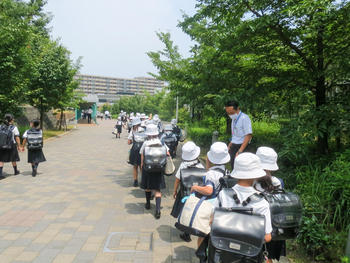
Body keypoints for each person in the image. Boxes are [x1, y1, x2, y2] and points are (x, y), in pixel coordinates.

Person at [215, 153, 272, 256]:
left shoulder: (223, 194)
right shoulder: (262, 203)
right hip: (249, 254)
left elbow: (212, 221)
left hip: (224, 251)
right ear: (256, 175)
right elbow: (267, 237)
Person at [191, 142, 230, 249]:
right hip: (222, 207)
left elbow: (209, 190)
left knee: (203, 233)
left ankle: (201, 255)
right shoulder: (227, 172)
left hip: (210, 207)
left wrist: (195, 188)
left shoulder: (211, 174)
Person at [255, 147, 285, 262]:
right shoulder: (278, 182)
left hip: (256, 224)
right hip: (273, 225)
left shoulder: (252, 180)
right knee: (268, 255)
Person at [172, 141, 204, 242]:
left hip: (184, 193)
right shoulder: (201, 166)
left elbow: (177, 179)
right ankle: (189, 231)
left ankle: (186, 232)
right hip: (197, 193)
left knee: (184, 210)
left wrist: (175, 191)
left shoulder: (183, 165)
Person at [140, 124, 169, 219]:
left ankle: (148, 204)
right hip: (159, 168)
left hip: (147, 168)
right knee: (157, 190)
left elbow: (142, 156)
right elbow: (167, 153)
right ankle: (157, 210)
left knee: (147, 187)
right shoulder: (161, 142)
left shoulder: (145, 143)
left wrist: (142, 166)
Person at [225, 101, 252, 169]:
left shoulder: (244, 118)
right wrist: (230, 144)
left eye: (231, 112)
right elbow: (235, 134)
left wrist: (240, 151)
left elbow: (248, 135)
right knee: (233, 166)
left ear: (237, 109)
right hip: (234, 146)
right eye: (228, 113)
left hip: (242, 147)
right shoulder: (233, 119)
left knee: (241, 167)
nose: (230, 114)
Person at [0, 114, 21, 178]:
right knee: (13, 158)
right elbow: (17, 137)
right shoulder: (14, 127)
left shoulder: (0, 126)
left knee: (1, 159)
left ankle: (0, 174)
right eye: (13, 118)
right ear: (11, 120)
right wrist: (19, 146)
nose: (13, 119)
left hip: (2, 145)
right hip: (12, 145)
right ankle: (15, 171)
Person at [128, 117, 143, 186]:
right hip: (143, 149)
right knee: (142, 166)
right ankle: (143, 180)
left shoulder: (132, 130)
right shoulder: (144, 129)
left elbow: (129, 142)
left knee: (135, 166)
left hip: (135, 149)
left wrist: (132, 141)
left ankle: (135, 181)